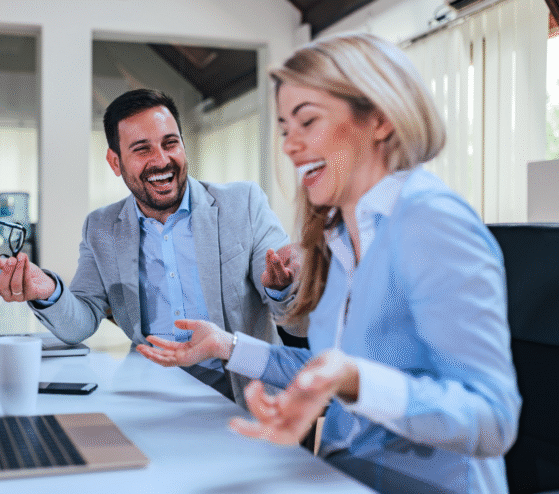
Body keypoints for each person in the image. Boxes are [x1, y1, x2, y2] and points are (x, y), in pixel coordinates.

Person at [136, 34, 521, 493]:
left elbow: (494, 419)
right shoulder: (339, 236)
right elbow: (324, 367)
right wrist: (225, 345)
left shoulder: (431, 221)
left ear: (378, 118)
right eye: (284, 130)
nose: (290, 146)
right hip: (341, 476)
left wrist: (353, 378)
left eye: (307, 122)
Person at [0, 88, 298, 404]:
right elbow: (82, 321)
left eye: (170, 143)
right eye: (142, 149)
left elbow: (290, 314)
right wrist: (47, 290)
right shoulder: (101, 227)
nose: (161, 160)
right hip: (151, 390)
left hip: (244, 390)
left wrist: (280, 289)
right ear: (115, 162)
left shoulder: (243, 204)